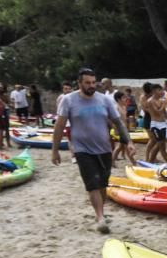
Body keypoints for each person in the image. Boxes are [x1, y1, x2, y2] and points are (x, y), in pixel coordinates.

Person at [52, 67, 134, 233]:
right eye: (87, 83)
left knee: (103, 183)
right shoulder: (68, 100)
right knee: (92, 184)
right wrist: (55, 150)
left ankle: (101, 212)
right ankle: (100, 217)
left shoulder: (104, 100)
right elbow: (59, 126)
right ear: (79, 83)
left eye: (93, 82)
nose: (91, 86)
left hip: (104, 149)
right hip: (82, 149)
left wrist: (129, 142)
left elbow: (118, 122)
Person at [144, 84, 167, 163]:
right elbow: (157, 112)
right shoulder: (150, 101)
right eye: (159, 90)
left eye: (161, 90)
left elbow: (164, 113)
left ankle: (150, 161)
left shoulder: (161, 100)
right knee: (161, 145)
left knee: (160, 145)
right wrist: (164, 104)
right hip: (155, 125)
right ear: (154, 91)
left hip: (163, 124)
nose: (161, 92)